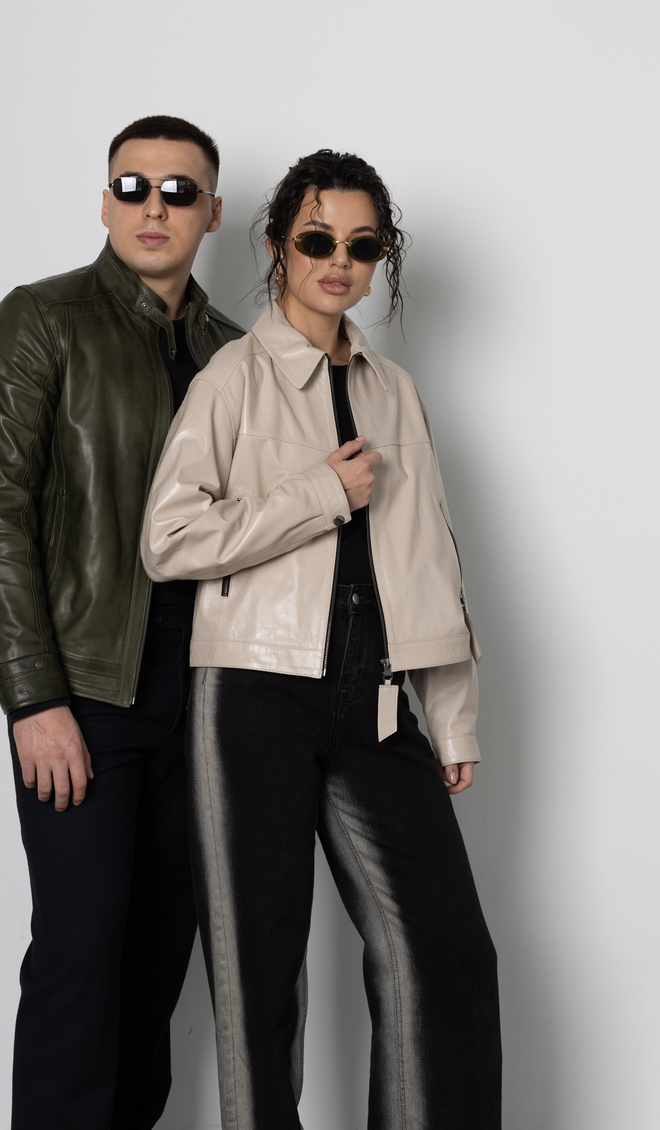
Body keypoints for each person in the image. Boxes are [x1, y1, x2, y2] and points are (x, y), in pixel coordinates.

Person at [142, 149, 502, 1129]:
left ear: (380, 259)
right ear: (277, 248)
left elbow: (430, 553)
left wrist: (450, 714)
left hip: (374, 701)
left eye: (361, 246)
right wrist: (317, 494)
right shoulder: (231, 379)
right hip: (249, 695)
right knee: (258, 974)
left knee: (445, 950)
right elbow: (167, 539)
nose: (338, 262)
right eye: (316, 240)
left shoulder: (395, 391)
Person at [0, 115, 243, 1130]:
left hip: (203, 701)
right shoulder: (42, 320)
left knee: (158, 956)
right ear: (106, 199)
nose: (153, 207)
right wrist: (33, 699)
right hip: (83, 692)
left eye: (178, 190)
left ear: (212, 212)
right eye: (133, 186)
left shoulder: (232, 352)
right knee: (81, 950)